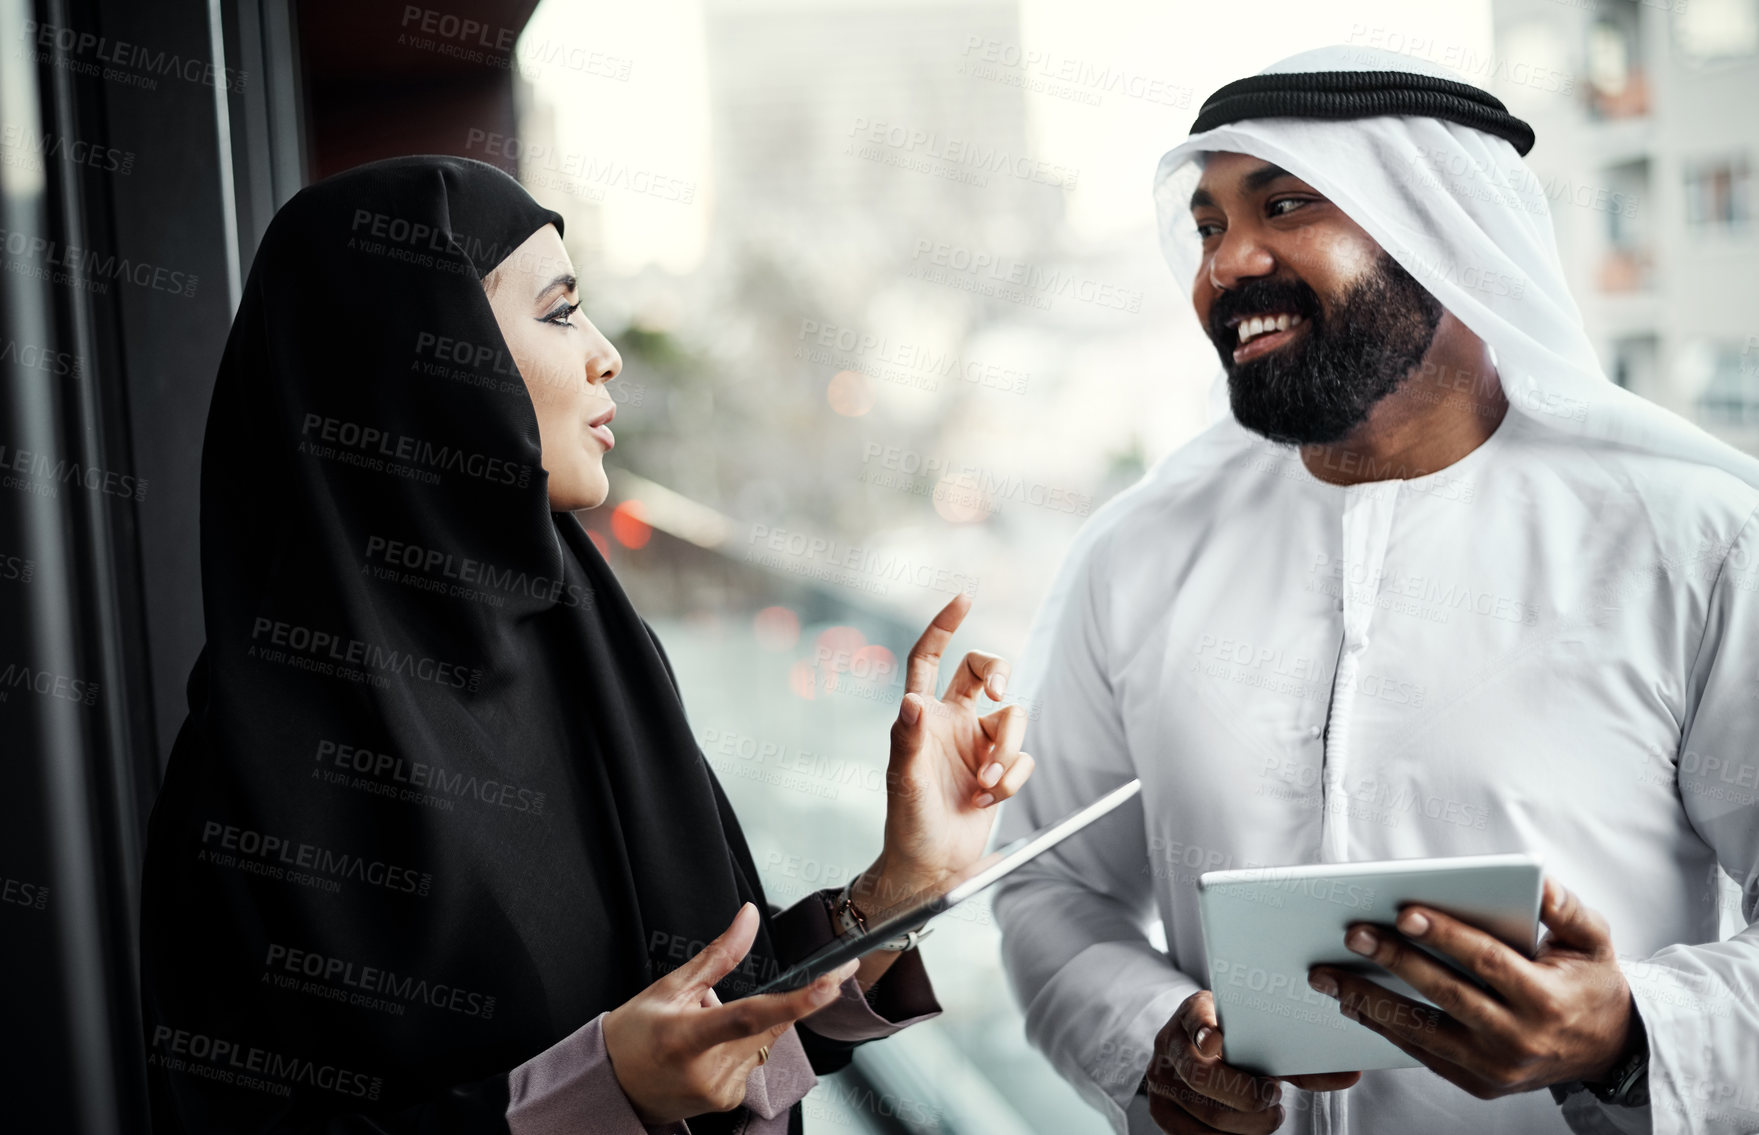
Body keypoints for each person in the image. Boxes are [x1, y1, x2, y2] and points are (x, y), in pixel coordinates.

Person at [138, 154, 1034, 1134]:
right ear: (424, 356)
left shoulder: (593, 644)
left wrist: (894, 887)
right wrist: (596, 1095)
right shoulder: (248, 775)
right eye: (561, 311)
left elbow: (725, 1045)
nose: (607, 353)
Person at [993, 45, 1759, 1135]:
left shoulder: (1695, 541)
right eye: (1207, 226)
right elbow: (1052, 886)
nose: (1225, 262)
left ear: (1440, 223)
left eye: (1285, 204)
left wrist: (1629, 1035)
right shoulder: (1140, 550)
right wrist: (1152, 1046)